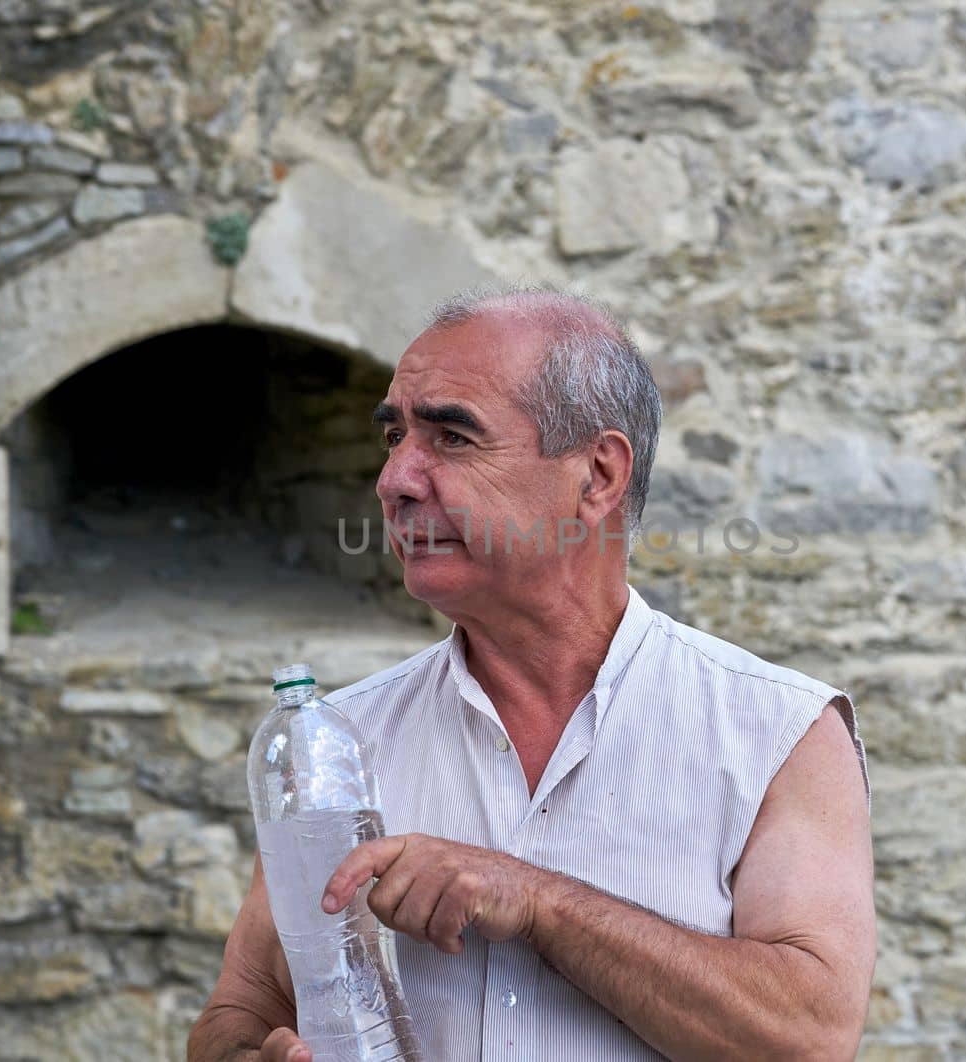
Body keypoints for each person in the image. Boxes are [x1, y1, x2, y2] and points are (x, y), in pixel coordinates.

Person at [187, 287, 874, 1061]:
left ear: (598, 476)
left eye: (451, 437)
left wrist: (541, 903)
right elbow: (242, 1007)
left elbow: (810, 1039)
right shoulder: (335, 743)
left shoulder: (776, 731)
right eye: (394, 437)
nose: (395, 480)